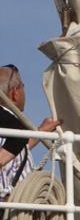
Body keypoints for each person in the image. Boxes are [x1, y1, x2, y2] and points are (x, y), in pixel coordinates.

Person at [0, 64, 60, 200]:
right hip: (9, 211)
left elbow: (15, 151)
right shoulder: (10, 124)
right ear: (15, 93)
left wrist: (39, 133)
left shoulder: (10, 129)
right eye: (22, 86)